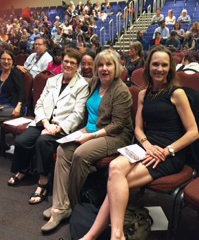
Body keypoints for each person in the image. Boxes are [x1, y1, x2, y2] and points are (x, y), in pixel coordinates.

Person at [79, 45, 199, 240]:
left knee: (117, 182)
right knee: (115, 167)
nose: (159, 69)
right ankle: (113, 235)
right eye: (155, 64)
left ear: (170, 68)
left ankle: (101, 235)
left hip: (168, 153)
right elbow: (138, 129)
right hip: (146, 147)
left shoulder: (177, 93)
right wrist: (147, 145)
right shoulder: (143, 94)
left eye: (164, 65)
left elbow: (193, 133)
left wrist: (166, 151)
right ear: (148, 66)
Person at [41, 49, 134, 232]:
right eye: (100, 65)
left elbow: (117, 125)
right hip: (89, 130)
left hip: (114, 136)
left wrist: (89, 136)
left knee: (80, 154)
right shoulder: (94, 83)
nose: (104, 68)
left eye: (108, 64)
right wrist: (80, 132)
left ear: (116, 67)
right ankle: (60, 207)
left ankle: (74, 206)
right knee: (62, 150)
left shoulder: (122, 91)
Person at [8, 48, 89, 205]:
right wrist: (45, 122)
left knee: (42, 142)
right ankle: (24, 169)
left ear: (77, 66)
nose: (68, 65)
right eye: (66, 61)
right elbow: (39, 104)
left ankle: (43, 181)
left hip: (63, 127)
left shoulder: (82, 85)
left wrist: (57, 128)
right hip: (43, 121)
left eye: (72, 63)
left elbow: (78, 114)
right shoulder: (52, 80)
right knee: (21, 141)